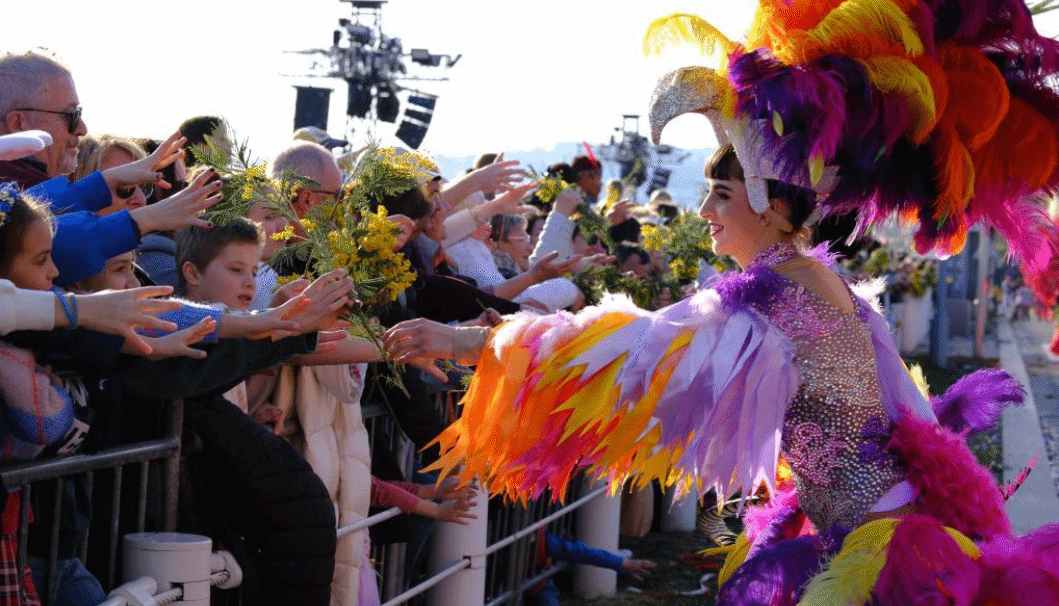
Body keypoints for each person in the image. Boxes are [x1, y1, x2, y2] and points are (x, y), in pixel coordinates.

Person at [383, 2, 1059, 604]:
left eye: (722, 196)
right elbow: (908, 419)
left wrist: (470, 343)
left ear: (769, 206)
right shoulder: (820, 284)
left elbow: (639, 352)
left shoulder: (774, 297)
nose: (704, 211)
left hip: (879, 561)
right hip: (880, 534)